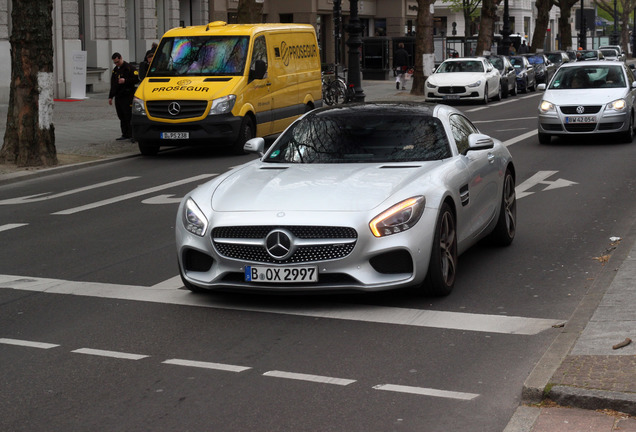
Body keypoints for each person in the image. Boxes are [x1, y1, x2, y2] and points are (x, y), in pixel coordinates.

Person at [109, 52, 139, 141]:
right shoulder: (115, 70)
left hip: (127, 95)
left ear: (121, 58)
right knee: (121, 115)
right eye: (115, 62)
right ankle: (125, 133)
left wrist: (125, 80)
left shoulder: (130, 68)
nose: (116, 64)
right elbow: (113, 84)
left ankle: (132, 134)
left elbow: (136, 79)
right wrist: (110, 96)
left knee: (128, 115)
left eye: (117, 62)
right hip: (118, 96)